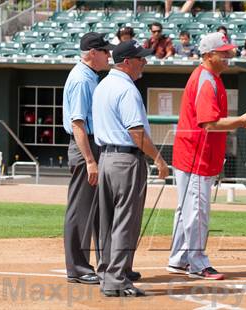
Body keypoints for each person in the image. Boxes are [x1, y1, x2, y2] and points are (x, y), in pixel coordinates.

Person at [166, 32, 246, 280]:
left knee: (187, 209)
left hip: (192, 154)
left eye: (229, 51)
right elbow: (209, 123)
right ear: (208, 55)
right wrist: (240, 121)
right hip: (196, 155)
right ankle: (197, 264)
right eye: (223, 52)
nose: (229, 55)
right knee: (196, 211)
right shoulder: (206, 80)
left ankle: (179, 259)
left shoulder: (209, 77)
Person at [92, 40, 169, 297]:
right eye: (140, 58)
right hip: (126, 161)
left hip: (105, 159)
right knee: (126, 221)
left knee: (107, 222)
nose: (144, 61)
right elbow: (136, 133)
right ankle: (118, 279)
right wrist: (159, 159)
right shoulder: (127, 89)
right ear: (127, 62)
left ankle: (106, 273)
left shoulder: (103, 85)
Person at [63, 32, 115, 285]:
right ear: (92, 54)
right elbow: (78, 124)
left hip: (92, 146)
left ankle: (101, 264)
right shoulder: (82, 80)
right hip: (85, 147)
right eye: (105, 51)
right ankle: (77, 267)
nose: (109, 55)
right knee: (81, 208)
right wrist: (90, 160)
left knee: (95, 208)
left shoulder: (90, 76)